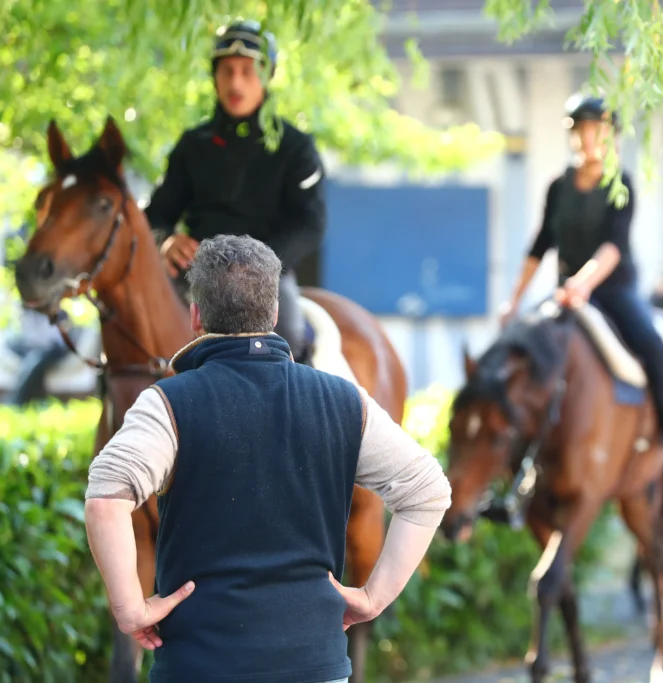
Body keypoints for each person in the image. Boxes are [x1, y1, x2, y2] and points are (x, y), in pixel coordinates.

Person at [83, 235, 451, 683]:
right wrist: (374, 596)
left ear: (196, 315)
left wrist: (130, 609)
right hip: (317, 665)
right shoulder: (345, 400)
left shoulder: (165, 403)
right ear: (275, 313)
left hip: (199, 666)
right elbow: (429, 490)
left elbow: (106, 496)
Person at [500, 94, 663, 447]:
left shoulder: (621, 184)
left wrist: (583, 282)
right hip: (567, 293)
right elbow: (539, 247)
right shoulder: (558, 187)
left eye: (596, 131)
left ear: (613, 137)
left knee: (652, 344)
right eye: (581, 130)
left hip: (611, 291)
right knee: (522, 346)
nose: (588, 139)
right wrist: (513, 302)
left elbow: (613, 246)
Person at [144, 19, 325, 364]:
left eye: (248, 70)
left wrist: (260, 268)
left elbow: (310, 224)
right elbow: (156, 215)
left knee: (288, 346)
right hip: (193, 278)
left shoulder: (296, 147)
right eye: (226, 70)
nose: (236, 81)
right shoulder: (191, 145)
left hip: (267, 281)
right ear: (214, 77)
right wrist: (166, 240)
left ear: (268, 74)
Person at [2, 307, 71, 406]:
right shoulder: (26, 312)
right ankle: (40, 400)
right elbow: (27, 337)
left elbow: (52, 339)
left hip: (54, 349)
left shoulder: (56, 311)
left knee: (35, 358)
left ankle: (17, 399)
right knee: (34, 360)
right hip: (34, 348)